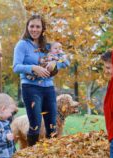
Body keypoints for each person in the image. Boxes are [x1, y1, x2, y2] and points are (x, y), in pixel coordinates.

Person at [13, 14, 70, 146]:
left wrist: (56, 64)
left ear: (43, 29)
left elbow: (66, 61)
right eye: (32, 26)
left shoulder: (49, 46)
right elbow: (16, 67)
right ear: (27, 27)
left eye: (38, 26)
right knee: (35, 125)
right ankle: (31, 156)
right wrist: (33, 68)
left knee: (52, 126)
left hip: (48, 88)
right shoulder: (22, 45)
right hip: (30, 88)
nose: (34, 29)